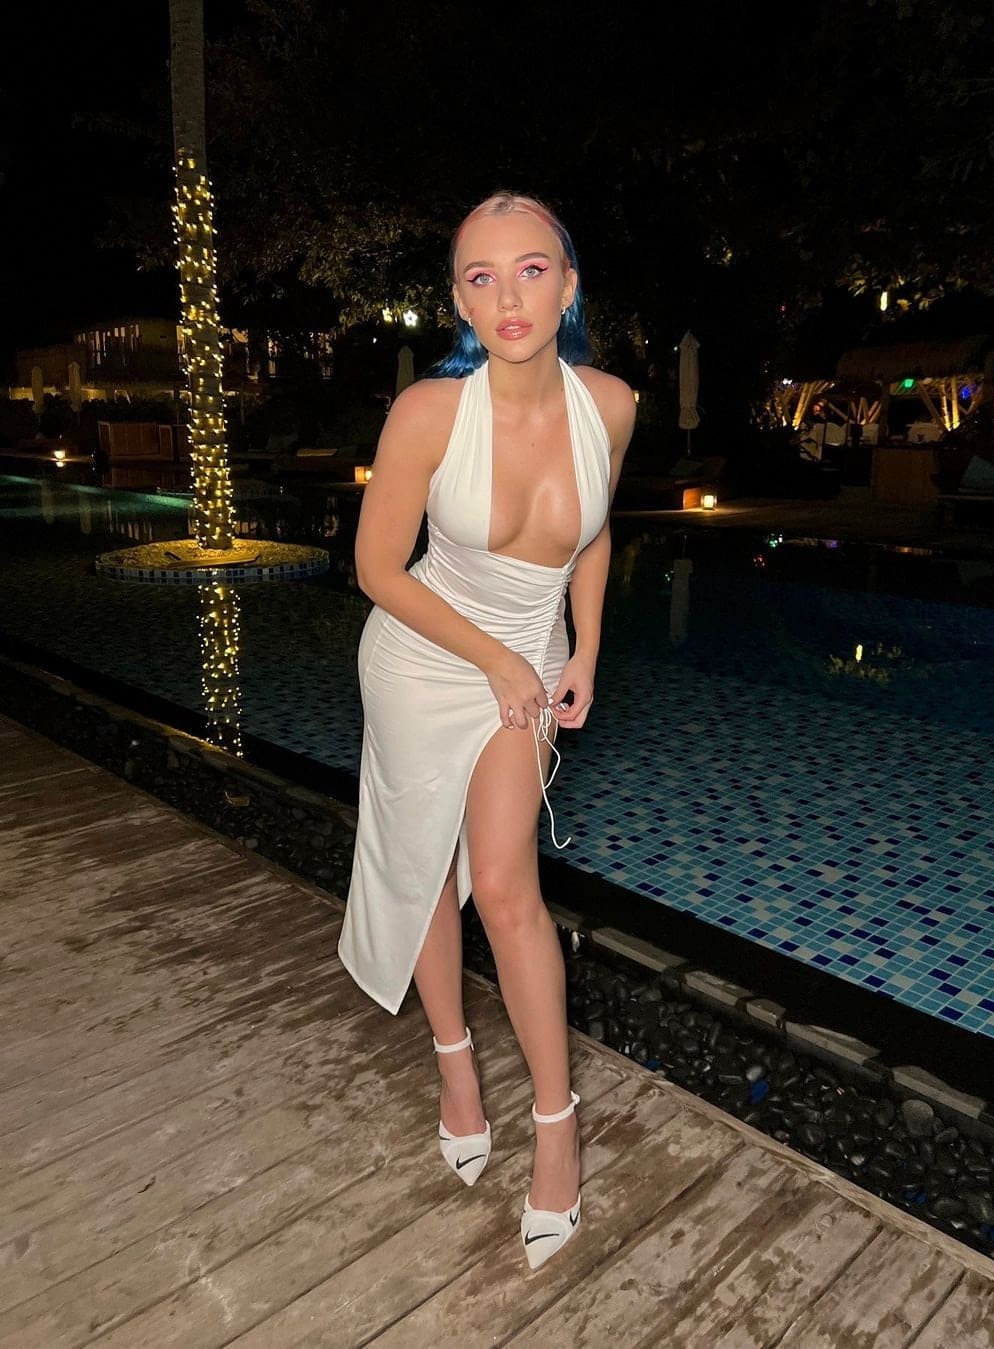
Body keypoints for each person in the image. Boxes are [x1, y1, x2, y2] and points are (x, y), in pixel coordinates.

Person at [337, 191, 635, 1269]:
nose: (508, 296)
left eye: (531, 269)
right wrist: (500, 658)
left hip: (528, 658)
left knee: (504, 883)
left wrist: (583, 648)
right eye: (480, 276)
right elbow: (377, 569)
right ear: (459, 300)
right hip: (425, 654)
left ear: (569, 283)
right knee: (422, 864)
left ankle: (557, 1128)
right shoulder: (429, 412)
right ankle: (456, 1065)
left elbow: (592, 532)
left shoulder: (612, 404)